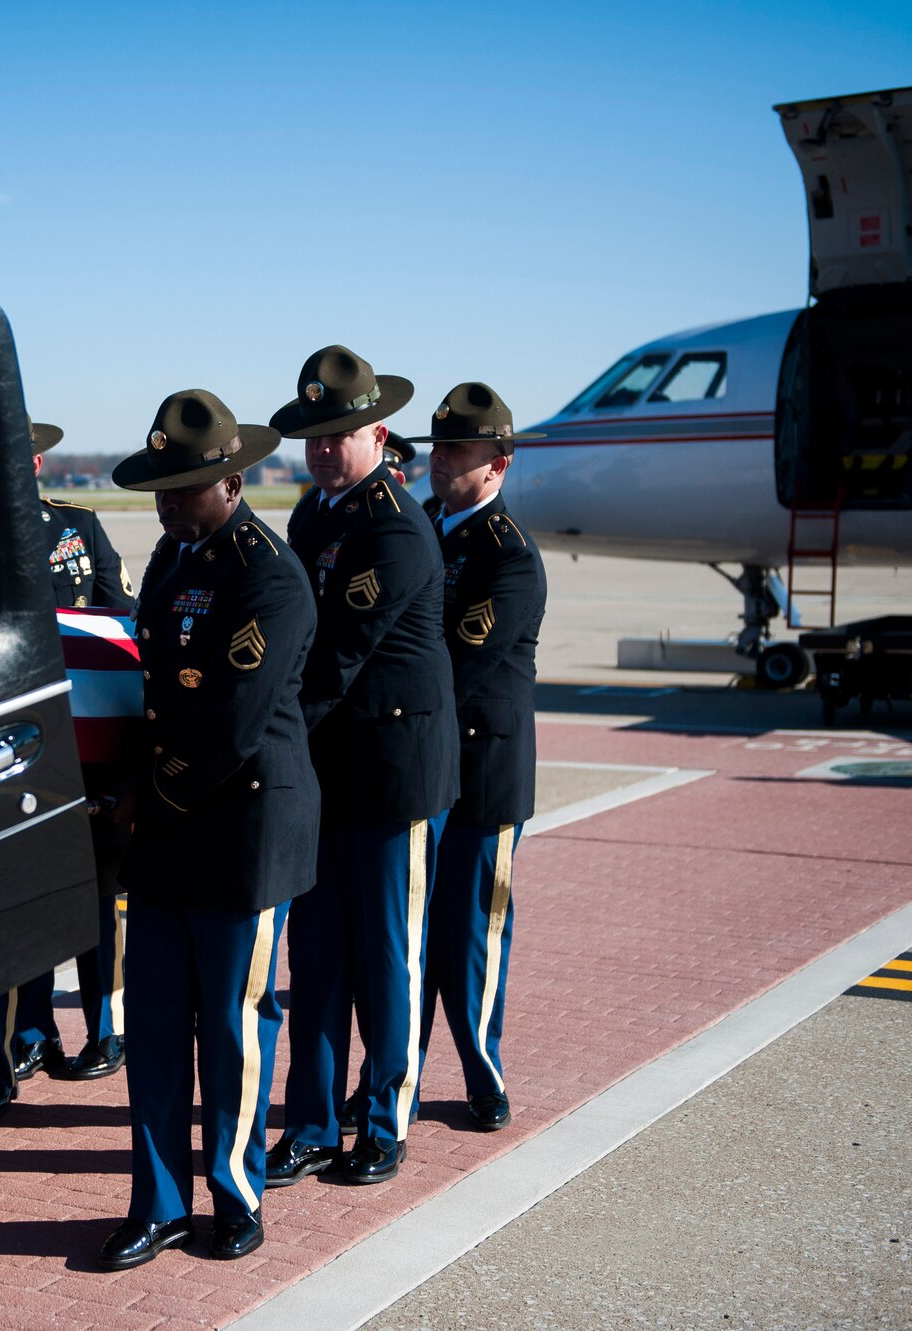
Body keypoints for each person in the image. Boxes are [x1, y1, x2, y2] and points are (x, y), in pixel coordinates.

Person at [96, 389, 318, 1270]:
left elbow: (231, 723)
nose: (167, 504)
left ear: (231, 480)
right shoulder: (169, 560)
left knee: (231, 1025)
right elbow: (154, 688)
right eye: (158, 489)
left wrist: (148, 794)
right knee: (151, 1025)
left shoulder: (268, 572)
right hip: (167, 829)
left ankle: (234, 1192)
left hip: (242, 827)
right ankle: (156, 1203)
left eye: (183, 488)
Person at [264, 345, 459, 1191]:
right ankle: (309, 1120)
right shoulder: (316, 513)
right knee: (317, 958)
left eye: (337, 433)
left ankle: (383, 1119)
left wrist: (262, 743)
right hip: (328, 775)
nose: (321, 449)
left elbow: (334, 660)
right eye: (311, 435)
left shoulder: (393, 526)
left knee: (387, 958)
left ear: (378, 431)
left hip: (390, 776)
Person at [420, 381, 547, 1132]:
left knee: (472, 934)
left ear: (497, 465)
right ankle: (392, 1077)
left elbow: (452, 668)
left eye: (457, 451)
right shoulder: (417, 532)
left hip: (482, 775)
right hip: (420, 770)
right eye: (437, 448)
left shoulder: (509, 557)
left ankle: (480, 1070)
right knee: (412, 935)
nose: (441, 462)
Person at [8, 419, 135, 1085]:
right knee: (29, 893)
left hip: (87, 747)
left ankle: (106, 1027)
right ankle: (31, 1033)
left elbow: (119, 619)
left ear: (35, 458)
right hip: (21, 752)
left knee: (96, 893)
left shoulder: (76, 527)